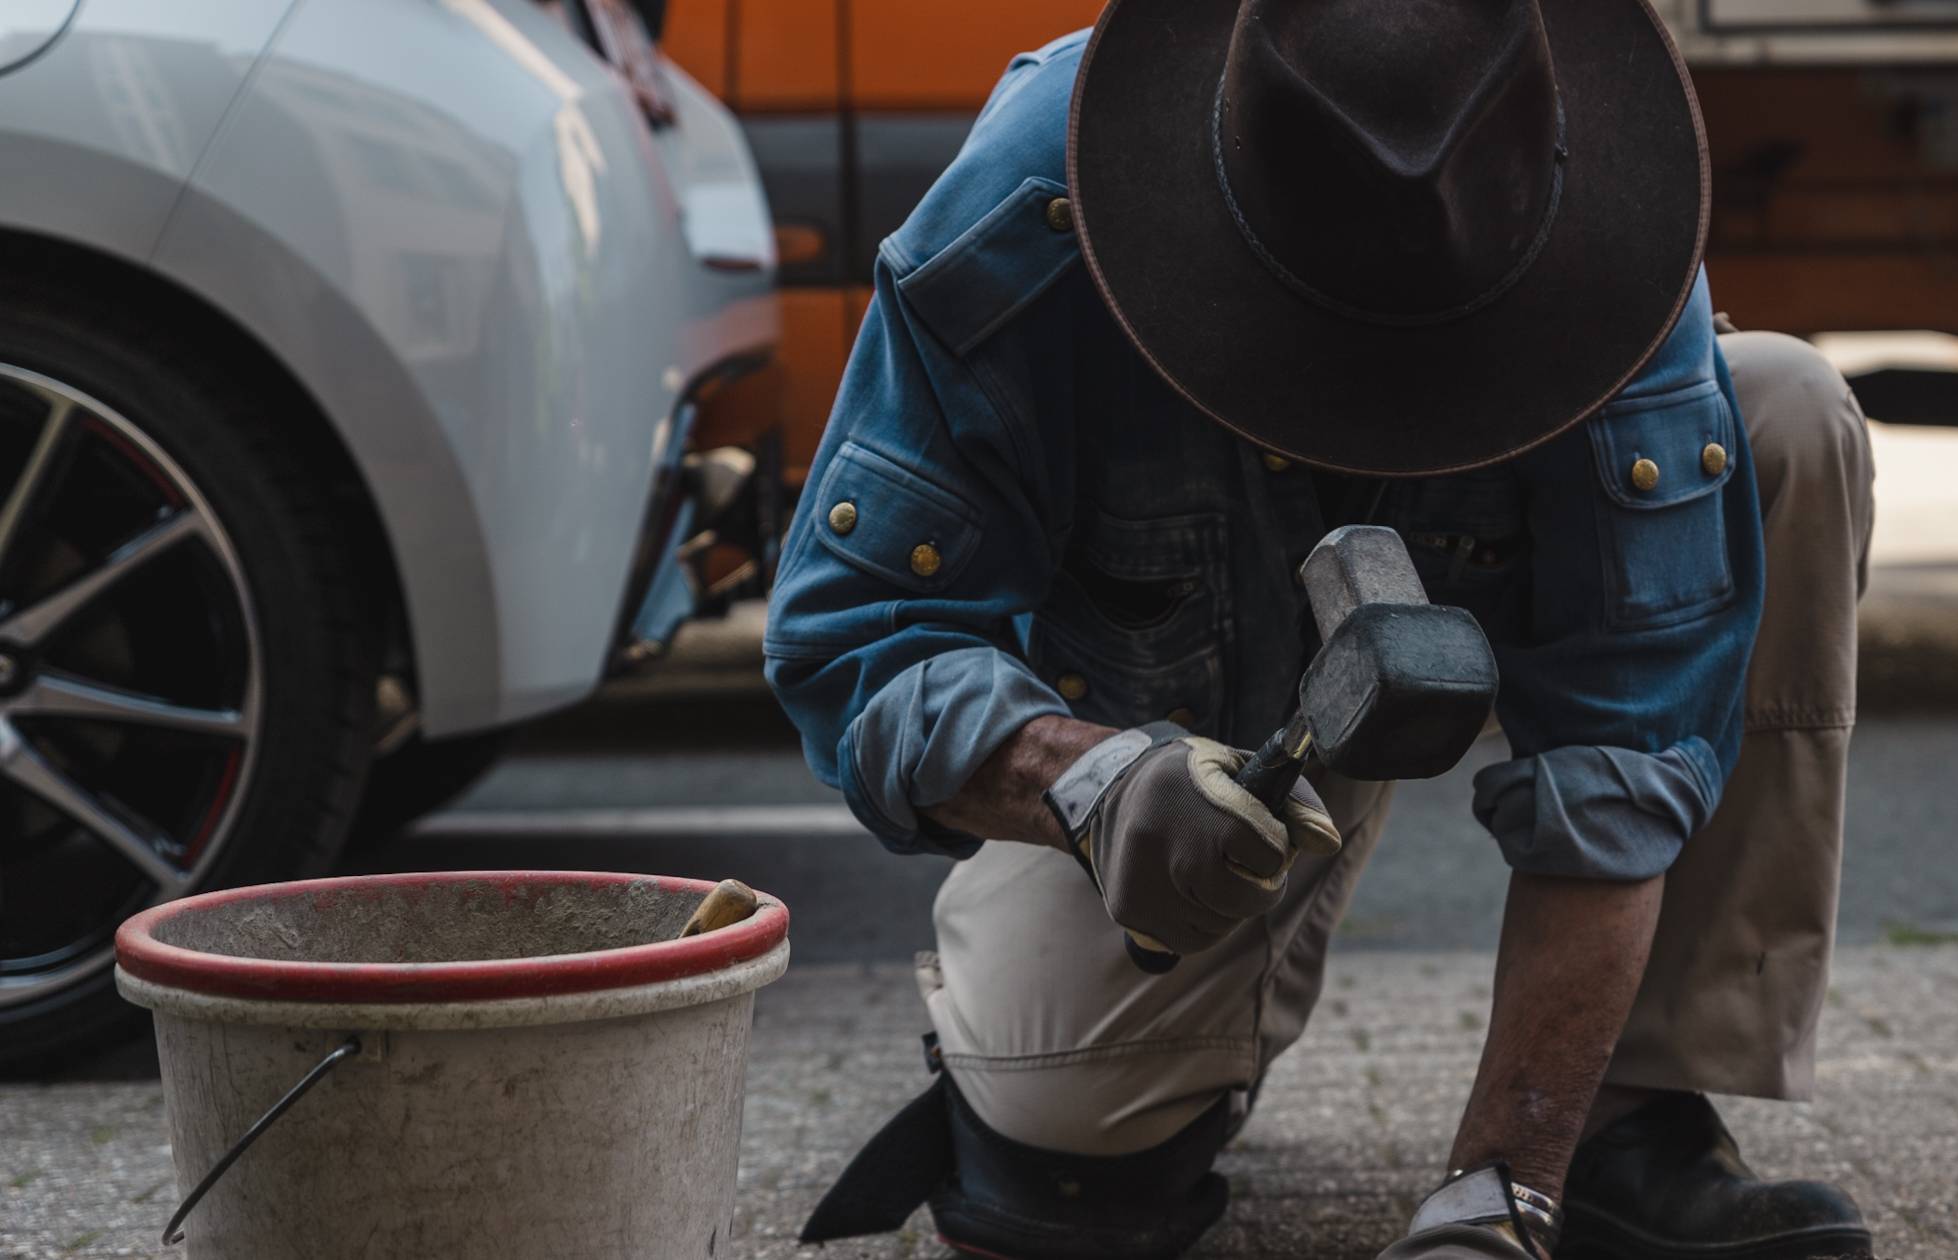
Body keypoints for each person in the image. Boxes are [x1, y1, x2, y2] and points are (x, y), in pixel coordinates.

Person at [764, 3, 1879, 1258]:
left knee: (1786, 415)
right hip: (1170, 723)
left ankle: (1629, 1114)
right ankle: (1181, 1024)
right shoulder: (1037, 206)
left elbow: (1634, 727)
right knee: (1064, 1125)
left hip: (1500, 591)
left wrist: (1502, 1186)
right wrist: (1079, 779)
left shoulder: (1606, 222)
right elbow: (860, 634)